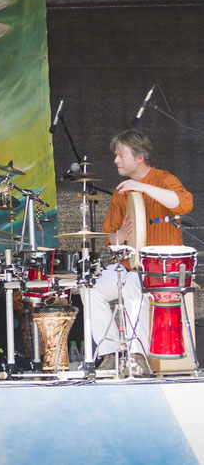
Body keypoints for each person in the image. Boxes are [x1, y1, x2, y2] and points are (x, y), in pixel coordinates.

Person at [89, 129, 193, 375]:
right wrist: (121, 237)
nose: (116, 160)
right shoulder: (120, 192)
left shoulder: (163, 178)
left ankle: (138, 355)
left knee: (134, 284)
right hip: (128, 264)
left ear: (140, 157)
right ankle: (111, 352)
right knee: (91, 287)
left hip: (160, 267)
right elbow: (110, 239)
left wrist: (143, 187)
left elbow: (183, 203)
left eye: (120, 155)